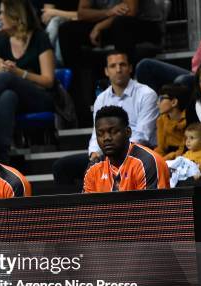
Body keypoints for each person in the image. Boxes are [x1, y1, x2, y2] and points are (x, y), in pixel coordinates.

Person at [52, 50, 158, 188]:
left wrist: (112, 150)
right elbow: (97, 133)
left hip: (136, 152)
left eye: (122, 65)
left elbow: (143, 134)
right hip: (107, 151)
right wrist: (94, 154)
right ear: (106, 71)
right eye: (113, 66)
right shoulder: (101, 98)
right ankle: (75, 208)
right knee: (61, 167)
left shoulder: (146, 94)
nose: (118, 69)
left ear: (130, 68)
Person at [0, 0, 55, 162]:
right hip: (17, 98)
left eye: (2, 12)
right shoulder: (2, 42)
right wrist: (10, 74)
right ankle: (2, 155)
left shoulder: (39, 38)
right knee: (7, 96)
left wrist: (19, 73)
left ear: (15, 16)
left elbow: (48, 81)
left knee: (5, 78)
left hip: (41, 97)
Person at [83, 105, 169, 193]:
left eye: (113, 132)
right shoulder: (93, 167)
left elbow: (153, 205)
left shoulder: (147, 162)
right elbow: (87, 206)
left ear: (128, 132)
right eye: (100, 134)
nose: (106, 138)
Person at [136, 31, 201, 93]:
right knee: (145, 66)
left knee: (182, 80)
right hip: (199, 74)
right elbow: (198, 59)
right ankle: (154, 106)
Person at [154, 84, 188, 160]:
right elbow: (161, 148)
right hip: (167, 157)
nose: (157, 103)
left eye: (161, 99)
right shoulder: (161, 119)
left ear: (174, 102)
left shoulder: (188, 119)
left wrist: (165, 159)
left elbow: (184, 148)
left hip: (184, 157)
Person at [41, 1, 78, 66]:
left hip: (78, 23)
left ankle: (47, 61)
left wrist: (55, 13)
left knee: (56, 22)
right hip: (56, 25)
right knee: (54, 23)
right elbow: (46, 17)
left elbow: (82, 15)